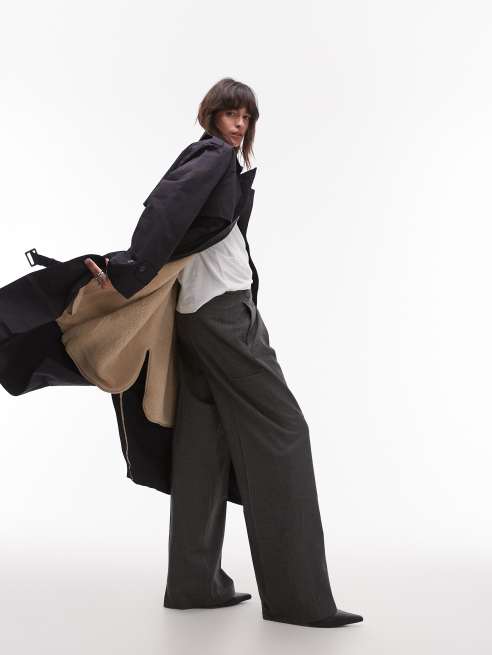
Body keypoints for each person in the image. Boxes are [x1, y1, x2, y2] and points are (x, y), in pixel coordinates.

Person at [84, 78, 364, 628]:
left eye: (246, 117)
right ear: (210, 115)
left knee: (204, 443)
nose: (239, 124)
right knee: (284, 431)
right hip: (225, 315)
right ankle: (299, 598)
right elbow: (164, 211)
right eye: (230, 114)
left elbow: (181, 220)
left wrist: (130, 267)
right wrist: (130, 268)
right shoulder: (212, 157)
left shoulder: (215, 162)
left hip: (199, 316)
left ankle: (194, 584)